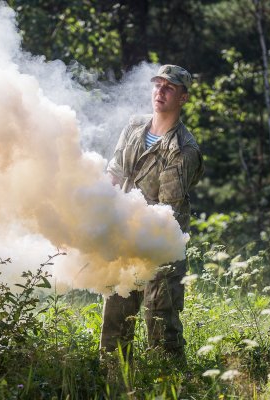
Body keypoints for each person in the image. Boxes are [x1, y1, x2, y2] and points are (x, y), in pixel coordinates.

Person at [100, 64, 204, 365]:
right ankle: (113, 385)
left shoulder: (183, 149)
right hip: (125, 240)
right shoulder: (134, 127)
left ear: (183, 97)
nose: (160, 91)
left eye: (169, 87)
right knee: (115, 326)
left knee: (161, 329)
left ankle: (172, 387)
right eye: (158, 84)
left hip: (160, 247)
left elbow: (165, 210)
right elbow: (114, 174)